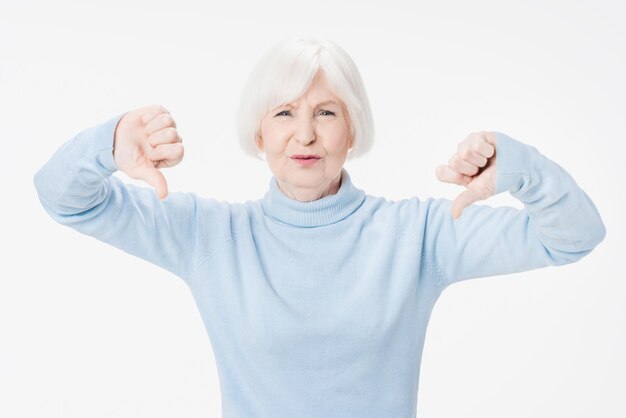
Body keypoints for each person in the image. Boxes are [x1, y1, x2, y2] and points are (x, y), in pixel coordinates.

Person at [33, 37, 606, 418]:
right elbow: (64, 198)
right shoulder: (209, 236)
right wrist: (109, 146)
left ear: (352, 130)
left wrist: (523, 169)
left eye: (326, 113)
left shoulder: (419, 235)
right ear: (259, 134)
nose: (304, 135)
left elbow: (575, 236)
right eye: (284, 113)